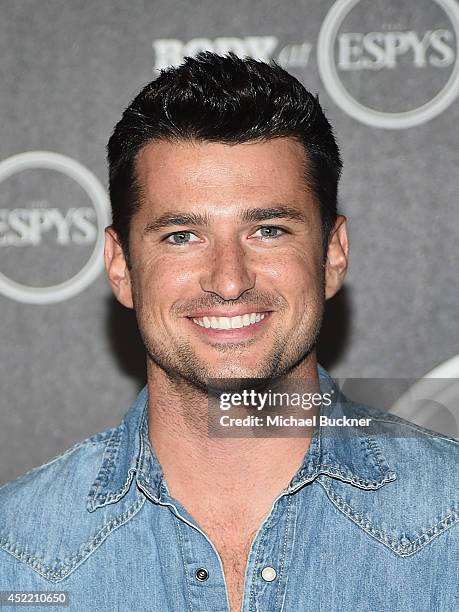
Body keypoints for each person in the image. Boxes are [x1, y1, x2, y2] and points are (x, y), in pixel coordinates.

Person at [0, 52, 457, 612]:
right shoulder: (16, 550)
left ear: (332, 254)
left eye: (267, 229)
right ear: (120, 266)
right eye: (182, 236)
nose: (229, 280)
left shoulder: (451, 520)